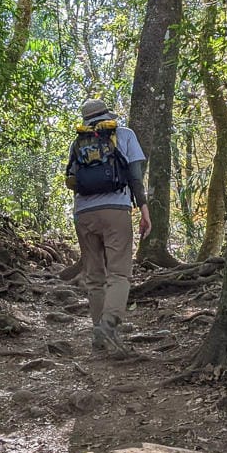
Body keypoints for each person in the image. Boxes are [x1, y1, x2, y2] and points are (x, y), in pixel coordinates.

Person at [64, 98, 151, 353]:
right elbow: (135, 177)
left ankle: (99, 335)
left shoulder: (78, 142)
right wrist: (144, 209)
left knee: (94, 277)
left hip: (84, 213)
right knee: (119, 273)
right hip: (116, 211)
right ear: (107, 115)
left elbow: (71, 179)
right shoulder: (124, 134)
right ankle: (109, 323)